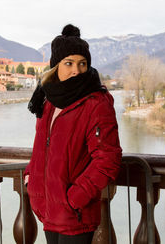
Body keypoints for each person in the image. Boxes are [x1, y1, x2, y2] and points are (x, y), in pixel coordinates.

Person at [25, 24, 122, 244]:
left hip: (75, 214)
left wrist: (75, 197)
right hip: (48, 208)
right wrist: (31, 178)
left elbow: (108, 160)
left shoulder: (96, 103)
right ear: (56, 67)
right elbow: (41, 147)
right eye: (68, 63)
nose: (76, 70)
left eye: (82, 64)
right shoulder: (48, 100)